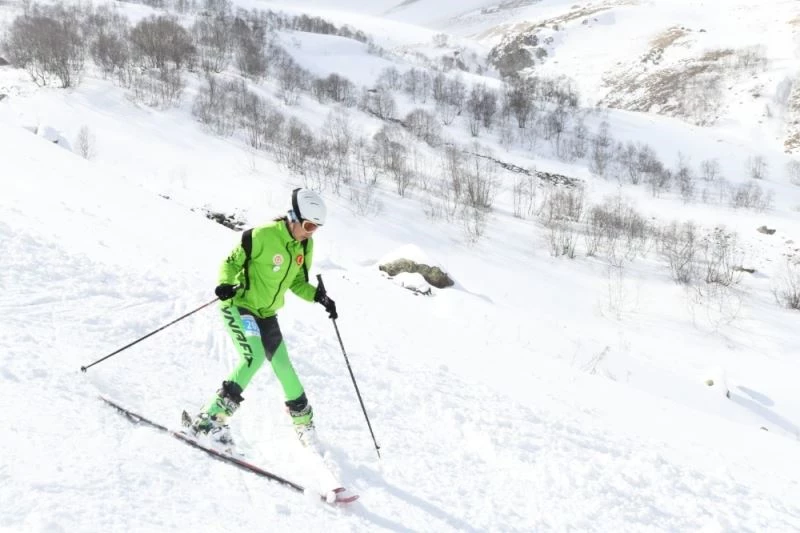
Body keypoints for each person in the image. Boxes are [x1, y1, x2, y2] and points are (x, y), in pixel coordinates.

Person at [186, 188, 338, 449]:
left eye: (316, 228)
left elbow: (297, 282)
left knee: (284, 366)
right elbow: (230, 263)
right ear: (294, 217)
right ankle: (209, 420)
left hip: (266, 313)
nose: (311, 232)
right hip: (240, 305)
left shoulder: (305, 245)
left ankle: (304, 425)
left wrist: (319, 297)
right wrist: (225, 283)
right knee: (253, 357)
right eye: (309, 226)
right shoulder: (261, 236)